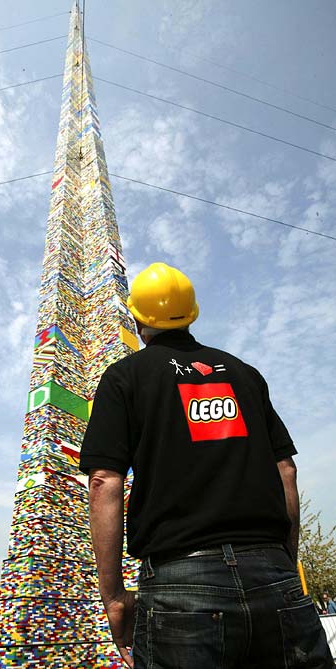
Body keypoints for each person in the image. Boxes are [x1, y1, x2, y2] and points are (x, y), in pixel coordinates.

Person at [80, 262, 333, 669]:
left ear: (137, 320)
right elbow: (286, 470)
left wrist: (113, 598)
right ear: (192, 313)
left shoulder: (124, 377)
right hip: (273, 573)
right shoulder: (245, 374)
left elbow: (104, 481)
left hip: (179, 587)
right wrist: (284, 563)